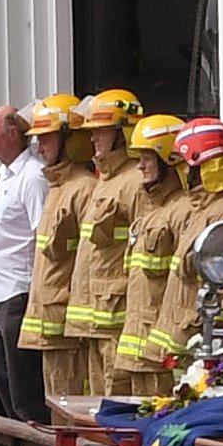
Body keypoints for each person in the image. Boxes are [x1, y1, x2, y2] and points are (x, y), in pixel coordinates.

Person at [146, 117, 223, 372]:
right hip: (183, 342)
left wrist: (199, 332)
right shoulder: (201, 210)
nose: (182, 172)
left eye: (186, 165)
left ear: (204, 166)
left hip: (200, 345)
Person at [64, 88, 144, 396]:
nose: (93, 139)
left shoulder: (135, 180)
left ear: (123, 134)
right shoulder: (104, 180)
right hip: (94, 318)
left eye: (101, 132)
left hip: (116, 319)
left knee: (115, 401)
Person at [0, 103, 51, 425]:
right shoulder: (5, 176)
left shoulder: (33, 177)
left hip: (15, 293)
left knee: (24, 387)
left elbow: (42, 238)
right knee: (2, 383)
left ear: (12, 134)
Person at [17, 94, 95, 403]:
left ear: (70, 140)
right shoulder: (57, 187)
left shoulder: (84, 188)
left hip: (67, 328)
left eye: (47, 138)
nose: (40, 146)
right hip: (50, 324)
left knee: (70, 405)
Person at [115, 114, 189, 396]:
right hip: (138, 348)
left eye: (147, 157)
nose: (140, 165)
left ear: (169, 159)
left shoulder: (181, 210)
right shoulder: (151, 211)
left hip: (160, 352)